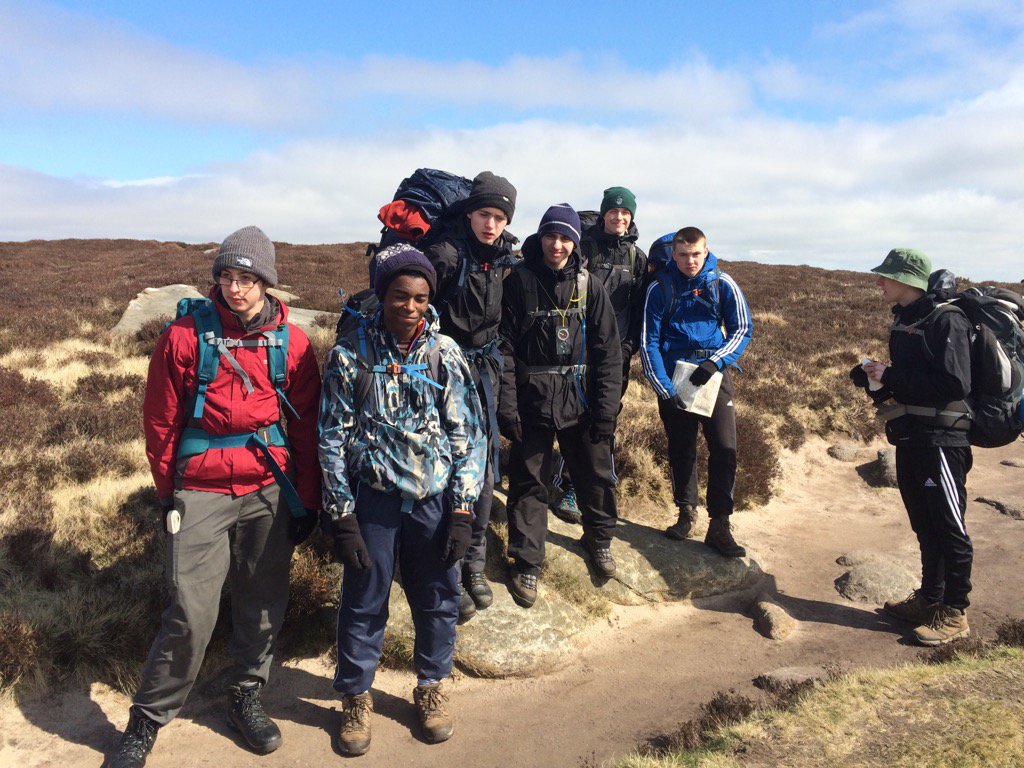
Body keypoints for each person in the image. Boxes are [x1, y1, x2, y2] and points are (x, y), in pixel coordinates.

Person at [109, 226, 322, 768]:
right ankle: (147, 719)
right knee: (189, 610)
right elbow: (159, 421)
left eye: (247, 278)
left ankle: (245, 694)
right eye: (226, 277)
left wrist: (308, 498)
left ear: (268, 282)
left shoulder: (292, 343)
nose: (235, 289)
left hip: (269, 488)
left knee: (263, 602)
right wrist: (169, 495)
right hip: (199, 490)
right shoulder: (184, 335)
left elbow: (307, 428)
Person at [319, 244, 486, 755]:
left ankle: (431, 687)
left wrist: (463, 512)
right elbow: (330, 437)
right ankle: (355, 697)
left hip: (434, 504)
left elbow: (469, 436)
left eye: (418, 297)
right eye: (398, 296)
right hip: (373, 503)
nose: (409, 307)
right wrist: (341, 516)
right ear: (382, 295)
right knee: (365, 601)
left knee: (438, 598)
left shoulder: (445, 354)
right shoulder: (350, 354)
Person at [498, 204, 623, 608]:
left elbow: (609, 353)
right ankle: (527, 561)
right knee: (528, 482)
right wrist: (509, 409)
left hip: (582, 401)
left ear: (575, 241)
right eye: (551, 235)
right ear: (541, 237)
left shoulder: (590, 286)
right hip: (532, 403)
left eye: (566, 237)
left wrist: (606, 411)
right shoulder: (518, 282)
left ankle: (599, 539)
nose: (558, 244)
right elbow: (505, 350)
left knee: (595, 475)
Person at [851, 248, 973, 646]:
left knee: (949, 526)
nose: (879, 282)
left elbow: (955, 386)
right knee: (924, 523)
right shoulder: (905, 320)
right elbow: (911, 380)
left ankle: (955, 613)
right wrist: (873, 379)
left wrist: (892, 374)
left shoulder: (946, 320)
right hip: (912, 436)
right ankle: (929, 600)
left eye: (886, 276)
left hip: (942, 439)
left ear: (908, 280)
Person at [423, 171, 518, 622]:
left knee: (483, 471)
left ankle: (473, 566)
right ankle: (447, 571)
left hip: (486, 374)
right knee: (444, 469)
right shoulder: (443, 255)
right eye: (484, 214)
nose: (491, 224)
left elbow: (509, 330)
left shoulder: (506, 261)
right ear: (470, 213)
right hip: (442, 376)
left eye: (499, 217)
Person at [641, 227, 752, 557]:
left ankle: (720, 524)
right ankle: (686, 513)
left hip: (712, 376)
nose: (690, 261)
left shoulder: (721, 283)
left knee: (724, 447)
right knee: (681, 447)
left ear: (706, 252)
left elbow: (742, 328)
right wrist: (664, 387)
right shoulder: (660, 288)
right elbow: (650, 342)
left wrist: (715, 362)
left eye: (696, 254)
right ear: (673, 255)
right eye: (683, 255)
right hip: (675, 375)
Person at [551, 186, 648, 525]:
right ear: (604, 213)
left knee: (607, 417)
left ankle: (598, 483)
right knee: (573, 414)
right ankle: (568, 485)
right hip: (577, 347)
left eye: (624, 213)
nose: (618, 217)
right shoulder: (586, 247)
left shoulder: (637, 258)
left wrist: (628, 345)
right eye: (613, 211)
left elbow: (638, 308)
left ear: (631, 217)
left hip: (615, 352)